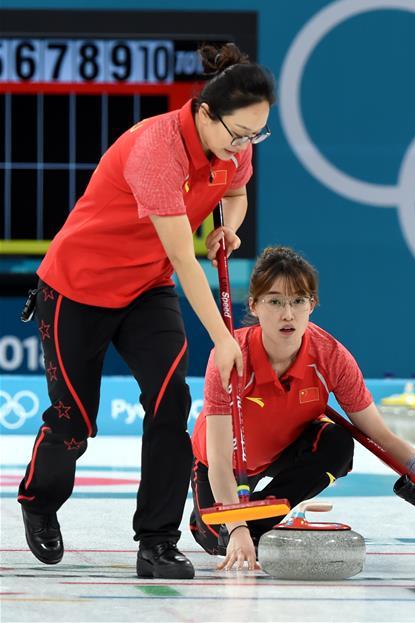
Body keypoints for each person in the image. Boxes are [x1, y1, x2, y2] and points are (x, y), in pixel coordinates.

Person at [17, 42, 275, 579]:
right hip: (76, 288)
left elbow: (237, 188)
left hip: (145, 289)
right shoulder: (157, 148)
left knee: (169, 403)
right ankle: (39, 500)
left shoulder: (234, 144)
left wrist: (232, 223)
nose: (245, 147)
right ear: (205, 112)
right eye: (239, 134)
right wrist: (224, 340)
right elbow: (184, 257)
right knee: (75, 423)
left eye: (256, 135)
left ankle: (156, 542)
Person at [189, 246, 415, 571]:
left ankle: (260, 522)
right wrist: (234, 528)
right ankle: (238, 525)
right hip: (222, 464)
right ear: (254, 305)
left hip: (285, 452)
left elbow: (379, 435)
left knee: (338, 443)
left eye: (298, 301)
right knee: (214, 539)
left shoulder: (330, 356)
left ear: (312, 305)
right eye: (275, 301)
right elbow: (220, 460)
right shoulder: (229, 357)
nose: (287, 314)